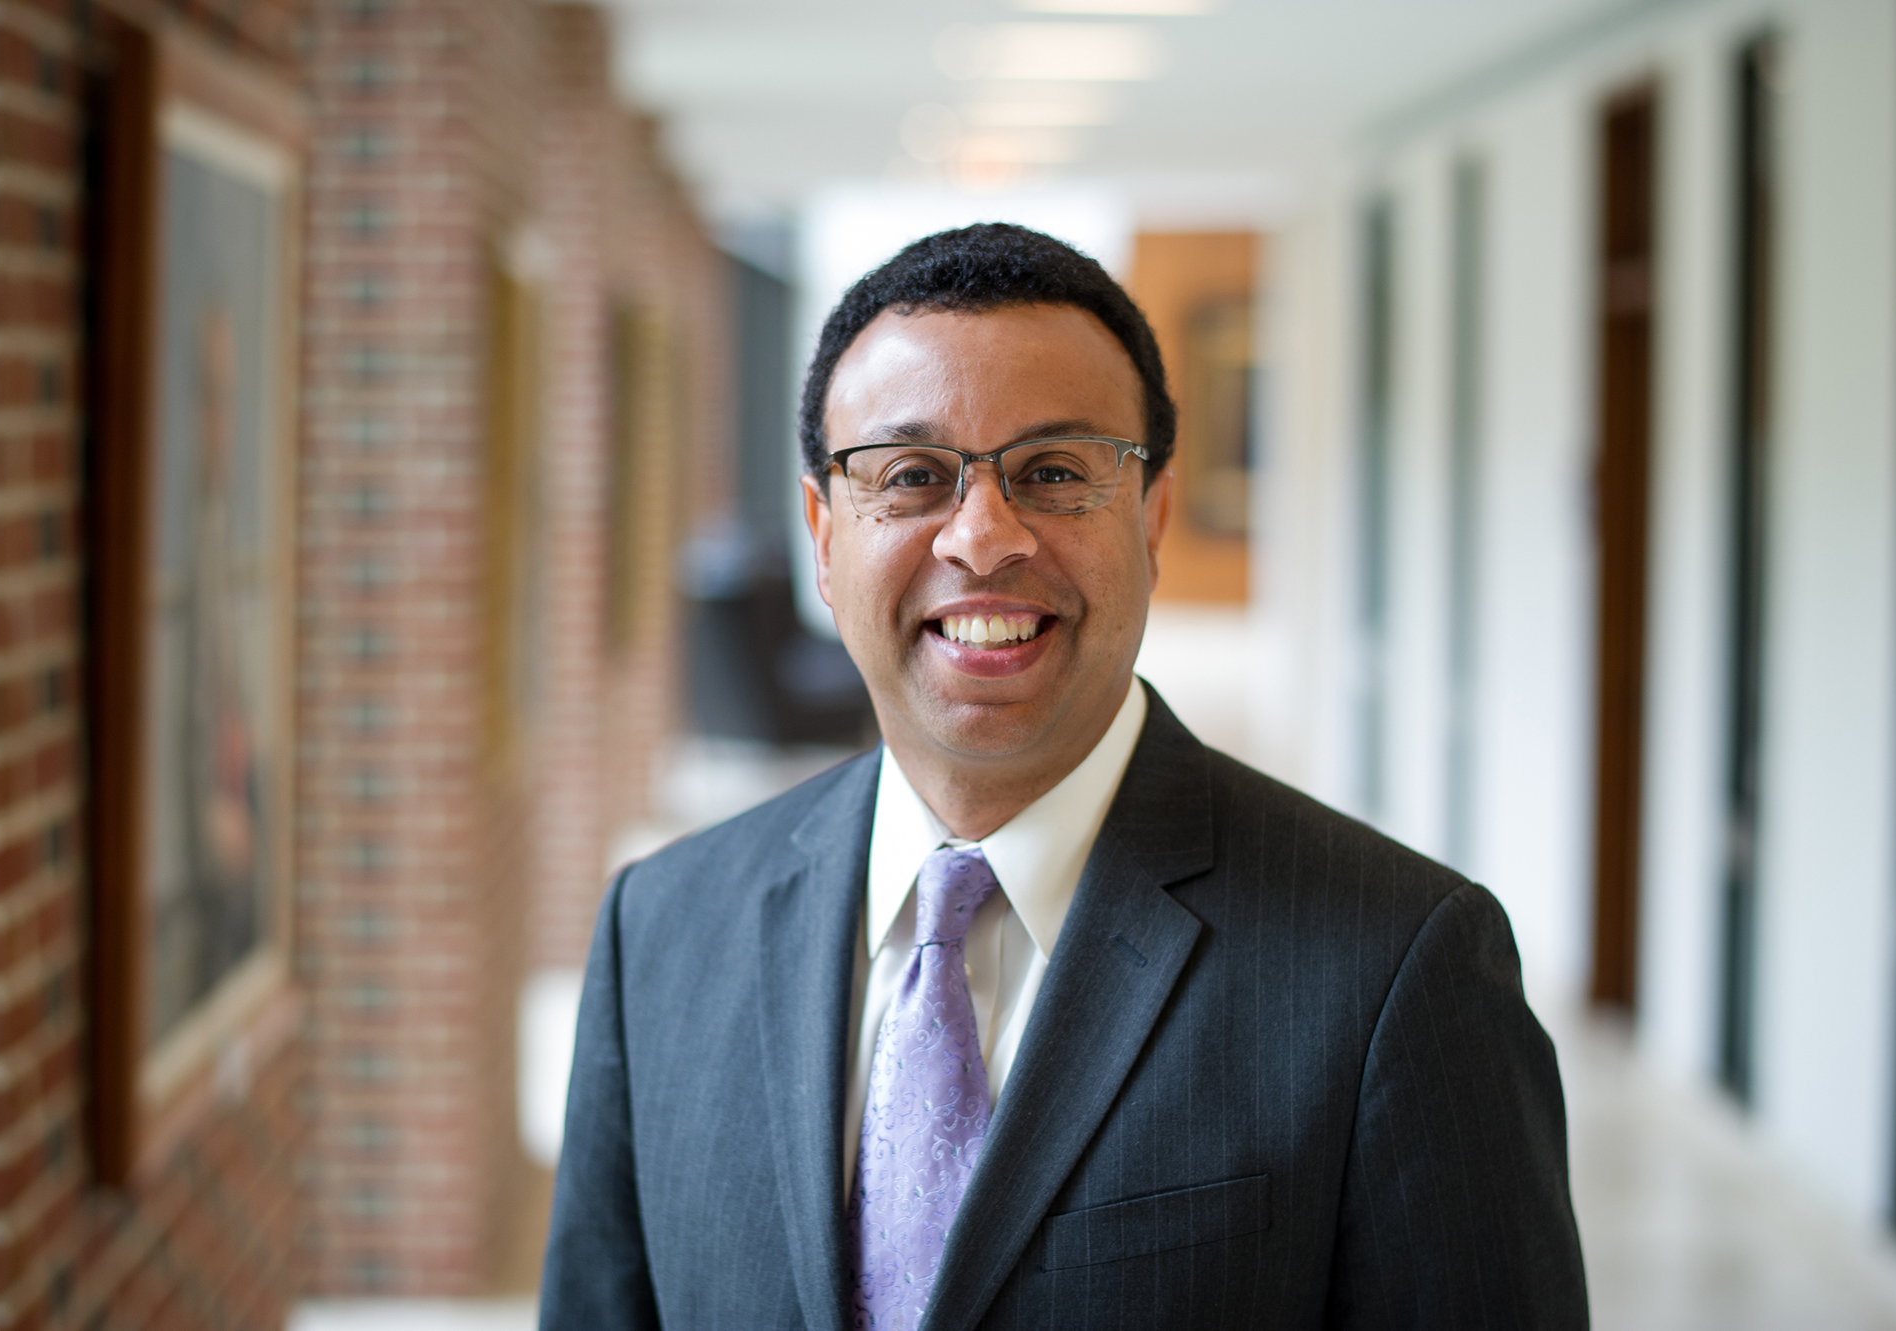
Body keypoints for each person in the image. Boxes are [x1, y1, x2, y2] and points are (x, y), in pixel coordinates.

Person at [539, 223, 1587, 1330]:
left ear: (1152, 519)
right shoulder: (659, 931)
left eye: (1051, 472)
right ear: (823, 534)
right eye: (909, 475)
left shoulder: (1396, 967)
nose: (982, 538)